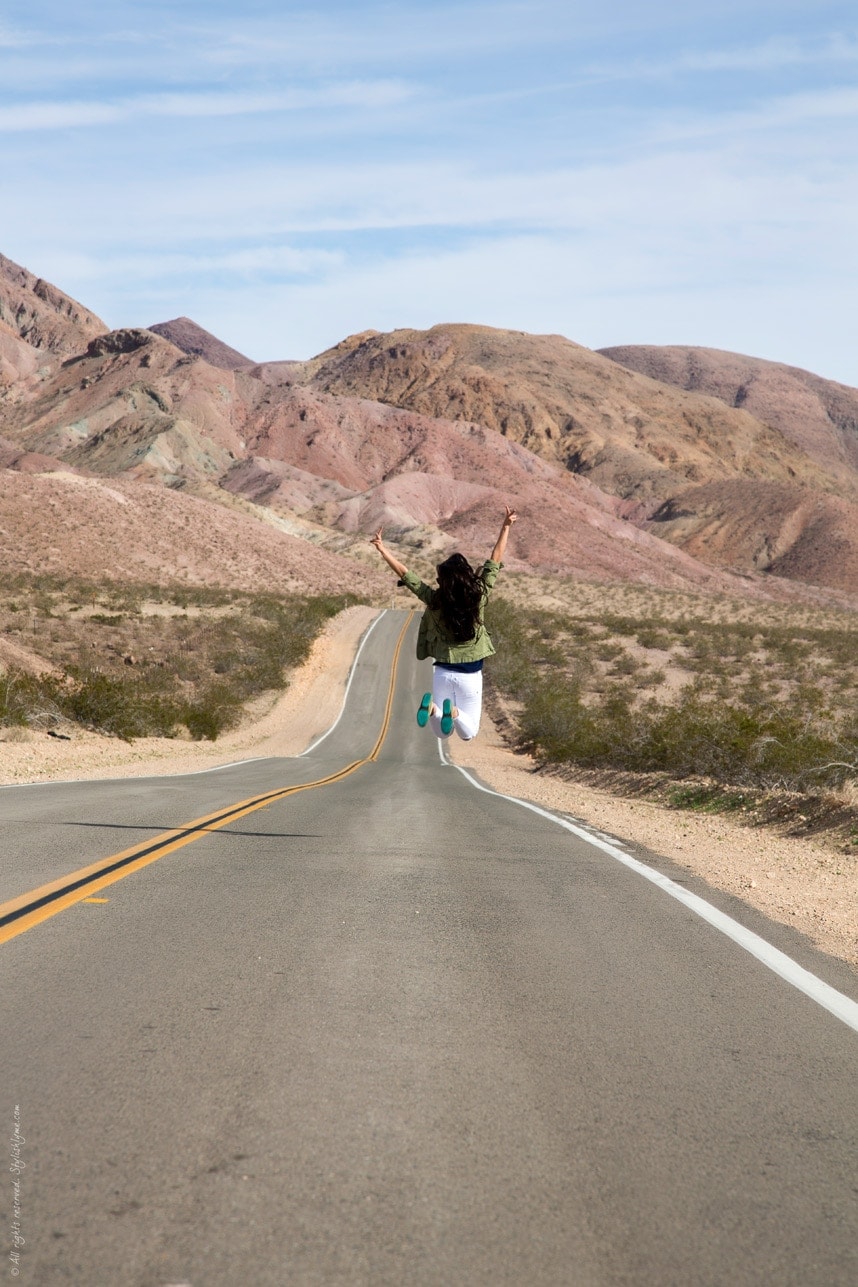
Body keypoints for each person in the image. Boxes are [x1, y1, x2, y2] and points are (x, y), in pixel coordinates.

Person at [370, 506, 518, 741]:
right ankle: (455, 713)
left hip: (442, 673)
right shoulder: (479, 594)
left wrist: (382, 549)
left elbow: (408, 576)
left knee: (440, 731)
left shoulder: (435, 600)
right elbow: (495, 559)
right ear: (467, 575)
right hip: (470, 675)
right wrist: (506, 526)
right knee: (468, 734)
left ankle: (433, 709)